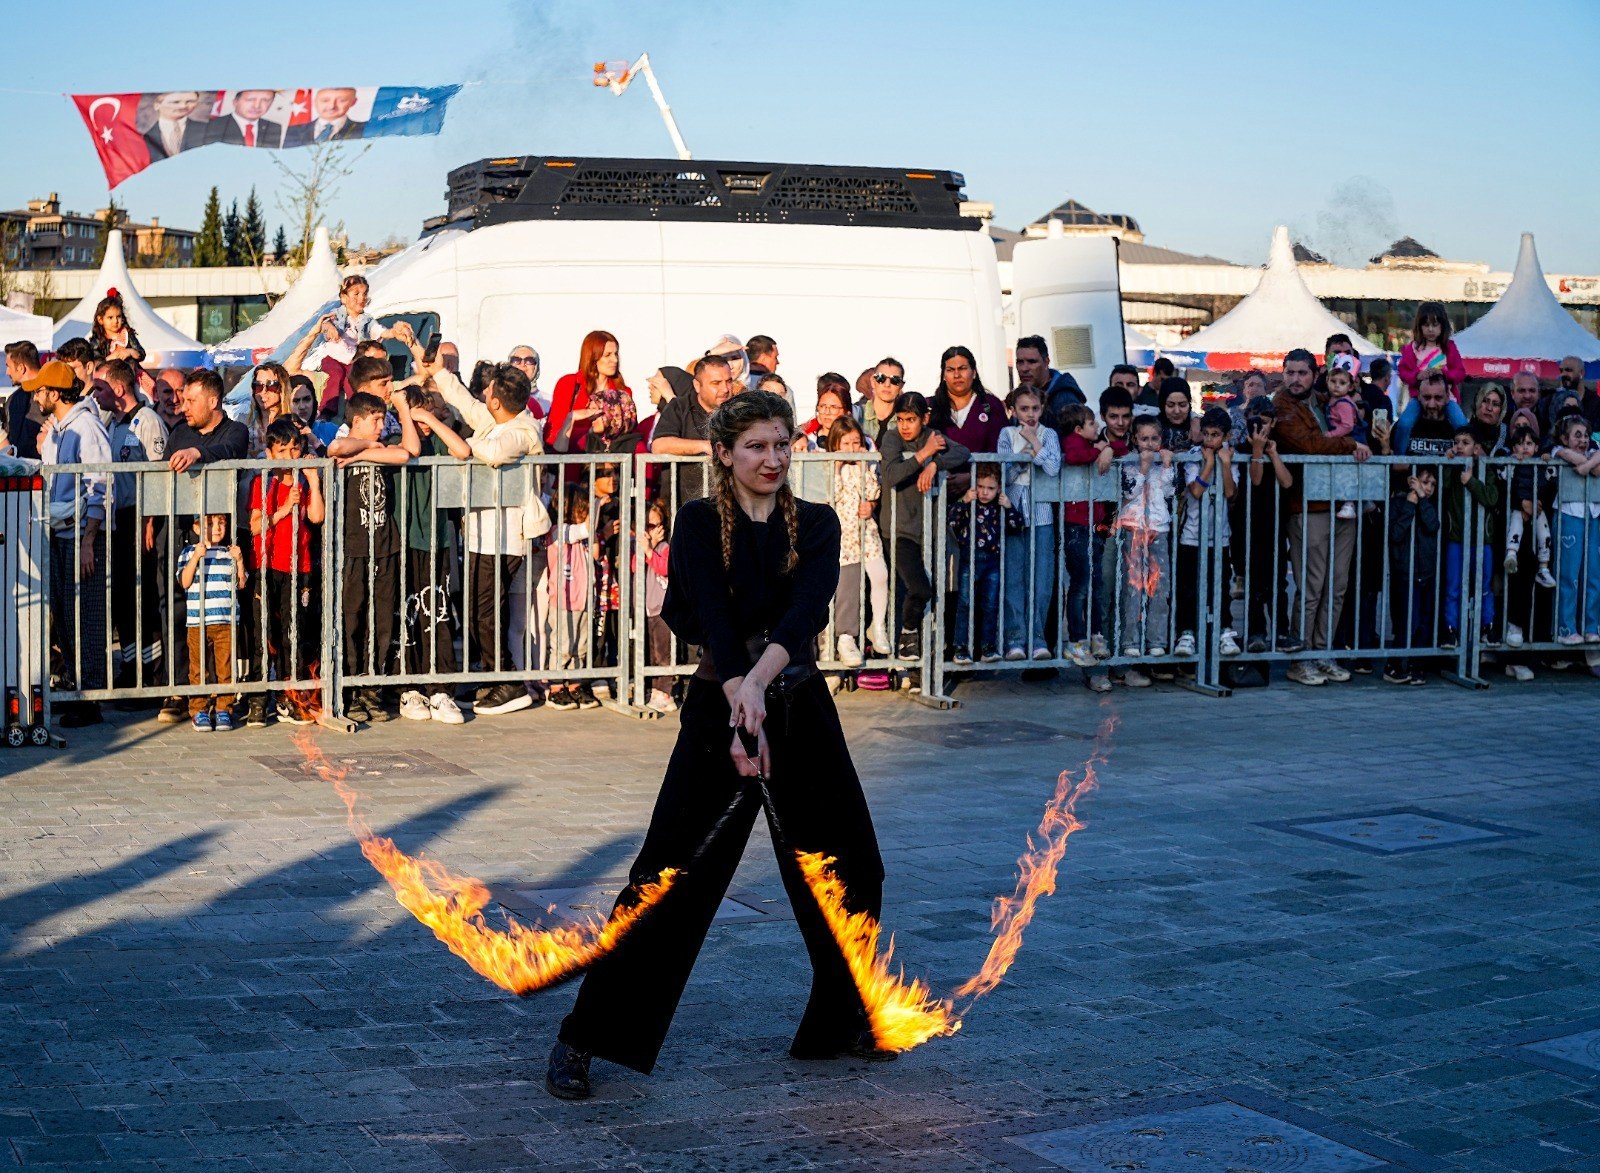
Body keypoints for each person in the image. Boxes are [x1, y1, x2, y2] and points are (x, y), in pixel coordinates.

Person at [547, 389, 888, 1100]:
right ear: (725, 453)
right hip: (717, 707)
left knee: (852, 865)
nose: (772, 458)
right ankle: (585, 1035)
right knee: (668, 875)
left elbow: (805, 612)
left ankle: (843, 1018)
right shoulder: (700, 521)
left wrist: (760, 686)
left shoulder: (817, 522)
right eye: (756, 446)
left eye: (782, 444)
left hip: (796, 705)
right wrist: (740, 694)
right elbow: (710, 615)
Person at [426, 356, 544, 716]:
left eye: (488, 392)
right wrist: (438, 371)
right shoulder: (496, 420)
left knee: (489, 613)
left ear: (495, 401)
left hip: (506, 538)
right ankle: (492, 677)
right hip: (480, 534)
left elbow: (493, 452)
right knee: (477, 612)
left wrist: (460, 442)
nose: (483, 397)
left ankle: (509, 682)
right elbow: (464, 402)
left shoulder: (523, 430)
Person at [1271, 348, 1370, 685]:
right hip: (1306, 506)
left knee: (1337, 585)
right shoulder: (1281, 405)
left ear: (1315, 375)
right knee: (1311, 586)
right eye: (1290, 372)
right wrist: (1351, 446)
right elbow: (1309, 444)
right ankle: (1301, 659)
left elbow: (1351, 423)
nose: (1295, 379)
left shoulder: (1326, 399)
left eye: (1302, 373)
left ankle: (1323, 652)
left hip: (1341, 503)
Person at [327, 388, 421, 722]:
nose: (381, 426)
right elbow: (336, 449)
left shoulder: (382, 447)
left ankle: (371, 688)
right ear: (357, 420)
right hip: (352, 547)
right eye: (376, 419)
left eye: (383, 419)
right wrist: (365, 450)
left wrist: (365, 454)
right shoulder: (347, 442)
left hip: (384, 545)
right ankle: (350, 688)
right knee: (352, 618)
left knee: (380, 620)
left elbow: (407, 453)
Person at [35, 360, 112, 728]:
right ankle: (78, 689)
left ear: (54, 393)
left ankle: (91, 697)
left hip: (81, 536)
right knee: (67, 616)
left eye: (40, 391)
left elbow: (101, 484)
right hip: (62, 532)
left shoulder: (86, 426)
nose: (35, 397)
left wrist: (89, 540)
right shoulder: (59, 430)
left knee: (87, 619)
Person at [394, 386, 469, 725]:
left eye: (427, 414)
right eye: (416, 416)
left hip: (435, 539)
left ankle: (440, 689)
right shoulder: (396, 438)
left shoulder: (436, 439)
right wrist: (407, 417)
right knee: (406, 613)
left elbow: (462, 450)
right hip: (403, 539)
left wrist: (428, 418)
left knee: (436, 613)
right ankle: (409, 688)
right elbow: (408, 448)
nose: (423, 424)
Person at [878, 390, 969, 659]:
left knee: (943, 587)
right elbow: (892, 474)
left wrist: (935, 464)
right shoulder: (892, 438)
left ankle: (936, 650)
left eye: (911, 420)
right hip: (898, 530)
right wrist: (923, 456)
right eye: (901, 419)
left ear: (924, 418)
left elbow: (962, 452)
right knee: (917, 588)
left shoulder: (932, 435)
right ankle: (907, 635)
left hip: (928, 529)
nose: (905, 426)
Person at [248, 421, 325, 725]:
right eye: (282, 451)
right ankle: (257, 699)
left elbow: (316, 517)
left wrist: (314, 482)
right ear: (269, 453)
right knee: (263, 634)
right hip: (266, 565)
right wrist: (282, 510)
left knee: (292, 634)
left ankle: (289, 697)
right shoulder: (263, 482)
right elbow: (255, 525)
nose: (290, 456)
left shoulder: (303, 482)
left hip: (297, 567)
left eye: (294, 448)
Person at [104, 358, 169, 692]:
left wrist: (149, 520)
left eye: (100, 387)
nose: (95, 394)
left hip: (140, 519)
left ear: (118, 389)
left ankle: (151, 674)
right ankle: (130, 669)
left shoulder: (148, 421)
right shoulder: (111, 424)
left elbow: (158, 478)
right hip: (117, 519)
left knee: (144, 597)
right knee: (124, 599)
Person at [997, 386, 1061, 659]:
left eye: (1035, 408)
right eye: (1024, 409)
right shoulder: (1006, 434)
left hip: (1041, 513)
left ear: (1042, 408)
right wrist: (1025, 455)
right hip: (1013, 511)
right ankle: (1015, 639)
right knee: (1014, 578)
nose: (1030, 414)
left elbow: (1053, 468)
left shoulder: (1049, 435)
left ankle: (1038, 638)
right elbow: (1004, 474)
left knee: (1042, 580)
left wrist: (1035, 443)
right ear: (1013, 410)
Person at [825, 416, 890, 667]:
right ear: (835, 444)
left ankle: (878, 626)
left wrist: (870, 502)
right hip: (844, 535)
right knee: (847, 586)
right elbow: (831, 495)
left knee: (880, 575)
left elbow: (873, 492)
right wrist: (837, 467)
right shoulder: (828, 466)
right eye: (846, 443)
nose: (852, 448)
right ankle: (846, 637)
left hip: (866, 531)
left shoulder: (866, 465)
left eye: (856, 442)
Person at [1175, 407, 1239, 659]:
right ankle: (1187, 633)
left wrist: (1225, 463)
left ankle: (1224, 631)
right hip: (1191, 534)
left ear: (1226, 436)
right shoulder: (1194, 455)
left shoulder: (1230, 456)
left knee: (1220, 586)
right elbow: (1196, 491)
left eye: (1216, 435)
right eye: (1207, 434)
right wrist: (1210, 463)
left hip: (1219, 535)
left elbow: (1230, 492)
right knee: (1188, 588)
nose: (1210, 440)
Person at [948, 463, 1025, 664]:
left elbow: (1018, 525)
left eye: (990, 488)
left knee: (990, 605)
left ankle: (988, 647)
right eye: (980, 486)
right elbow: (951, 520)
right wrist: (964, 501)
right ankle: (960, 647)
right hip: (969, 559)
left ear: (999, 489)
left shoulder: (999, 506)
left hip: (992, 562)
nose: (984, 492)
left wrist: (1009, 506)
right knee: (965, 604)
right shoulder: (968, 503)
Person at [1233, 397, 1292, 655]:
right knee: (1253, 581)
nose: (1260, 428)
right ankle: (1256, 632)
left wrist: (1272, 453)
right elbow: (1255, 480)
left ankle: (1281, 632)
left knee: (1277, 581)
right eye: (1255, 422)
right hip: (1246, 522)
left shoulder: (1280, 446)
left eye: (1265, 422)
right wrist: (1257, 450)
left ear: (1274, 423)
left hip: (1273, 521)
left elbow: (1287, 482)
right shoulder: (1241, 448)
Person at [177, 513, 246, 730]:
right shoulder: (189, 552)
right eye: (209, 524)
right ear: (197, 528)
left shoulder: (228, 552)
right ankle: (199, 709)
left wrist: (240, 561)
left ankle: (224, 709)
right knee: (198, 668)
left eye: (221, 523)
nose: (216, 528)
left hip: (225, 621)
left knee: (225, 668)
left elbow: (241, 584)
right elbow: (184, 582)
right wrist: (196, 558)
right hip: (197, 621)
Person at [1117, 416, 1176, 658]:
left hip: (1158, 527)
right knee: (1133, 587)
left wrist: (1168, 466)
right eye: (1144, 439)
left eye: (1154, 438)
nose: (1150, 444)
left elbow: (1170, 491)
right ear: (1135, 440)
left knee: (1159, 586)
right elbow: (1129, 492)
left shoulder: (1162, 463)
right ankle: (1130, 641)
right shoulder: (1128, 462)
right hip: (1133, 527)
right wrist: (1142, 468)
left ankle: (1156, 640)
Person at [1057, 403, 1109, 673]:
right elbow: (1075, 456)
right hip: (1076, 527)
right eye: (1091, 423)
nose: (1097, 426)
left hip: (1093, 525)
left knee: (1095, 582)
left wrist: (1108, 449)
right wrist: (1099, 451)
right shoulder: (1073, 443)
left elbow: (1120, 448)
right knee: (1080, 584)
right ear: (1078, 429)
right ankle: (1076, 639)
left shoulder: (1092, 444)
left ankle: (1096, 633)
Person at [1440, 425, 1499, 645]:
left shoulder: (1486, 470)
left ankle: (1487, 627)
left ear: (1476, 448)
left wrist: (1471, 482)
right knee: (1453, 587)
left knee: (1484, 587)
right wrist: (1448, 464)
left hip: (1482, 540)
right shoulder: (1453, 469)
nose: (1459, 447)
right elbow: (1443, 487)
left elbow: (1491, 498)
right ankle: (1451, 630)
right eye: (1456, 442)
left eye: (1465, 443)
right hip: (1456, 538)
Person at [651, 352, 735, 504]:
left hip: (729, 503)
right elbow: (659, 445)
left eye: (729, 381)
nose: (725, 389)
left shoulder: (738, 410)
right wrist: (705, 446)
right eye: (716, 383)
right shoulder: (679, 407)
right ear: (697, 385)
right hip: (683, 504)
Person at [1382, 468, 1440, 686]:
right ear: (1412, 482)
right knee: (1407, 621)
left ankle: (1417, 666)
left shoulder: (1429, 504)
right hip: (1405, 572)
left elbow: (1433, 525)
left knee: (1423, 621)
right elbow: (1396, 534)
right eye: (1425, 482)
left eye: (1433, 484)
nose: (1429, 488)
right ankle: (1394, 665)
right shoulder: (1399, 503)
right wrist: (1410, 505)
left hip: (1426, 572)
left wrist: (1422, 501)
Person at [1550, 415, 1600, 645]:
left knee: (1593, 575)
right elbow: (1571, 457)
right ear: (1564, 438)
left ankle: (1591, 626)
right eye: (1577, 435)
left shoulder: (1593, 453)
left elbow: (1595, 469)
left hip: (1593, 515)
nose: (1583, 440)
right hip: (1569, 514)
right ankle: (1565, 627)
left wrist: (1587, 466)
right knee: (1569, 574)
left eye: (1586, 435)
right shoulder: (1557, 450)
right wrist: (1589, 462)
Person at [544, 492, 596, 712]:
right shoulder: (559, 531)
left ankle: (574, 684)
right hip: (563, 600)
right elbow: (586, 528)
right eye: (583, 508)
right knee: (562, 646)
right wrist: (598, 502)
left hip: (583, 598)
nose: (587, 512)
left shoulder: (579, 536)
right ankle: (555, 687)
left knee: (580, 646)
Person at [1393, 302, 1468, 453]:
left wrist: (1444, 374)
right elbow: (1403, 372)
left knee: (1462, 426)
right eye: (1426, 325)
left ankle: (1465, 458)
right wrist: (1417, 376)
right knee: (1404, 424)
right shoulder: (1412, 348)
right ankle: (1399, 457)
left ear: (1443, 326)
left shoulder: (1449, 347)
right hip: (1418, 398)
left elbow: (1460, 373)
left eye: (1435, 324)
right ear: (1419, 326)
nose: (1431, 329)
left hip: (1448, 398)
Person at [927, 346, 1005, 488]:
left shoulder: (991, 405)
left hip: (982, 492)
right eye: (950, 370)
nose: (957, 375)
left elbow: (1000, 452)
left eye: (962, 368)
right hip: (938, 490)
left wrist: (972, 478)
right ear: (943, 375)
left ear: (973, 373)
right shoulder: (929, 407)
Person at [546, 330, 627, 454]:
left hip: (607, 462)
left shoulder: (623, 392)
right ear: (592, 357)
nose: (615, 360)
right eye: (608, 355)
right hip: (570, 459)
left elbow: (627, 434)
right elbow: (553, 435)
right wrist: (573, 418)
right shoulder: (568, 384)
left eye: (616, 354)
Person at [1502, 424, 1557, 592]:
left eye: (1529, 443)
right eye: (1520, 444)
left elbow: (1552, 479)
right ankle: (1511, 554)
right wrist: (1511, 461)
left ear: (1536, 447)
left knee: (1545, 535)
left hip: (1538, 507)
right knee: (1515, 527)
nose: (1524, 447)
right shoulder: (1513, 463)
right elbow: (1503, 478)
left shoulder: (1540, 464)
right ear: (1514, 448)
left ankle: (1543, 568)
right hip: (1519, 506)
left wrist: (1548, 459)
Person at [637, 499, 675, 713]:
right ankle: (655, 690)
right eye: (648, 526)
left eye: (655, 525)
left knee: (663, 653)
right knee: (652, 653)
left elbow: (664, 568)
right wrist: (646, 549)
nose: (651, 530)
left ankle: (665, 692)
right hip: (649, 607)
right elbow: (634, 567)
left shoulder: (665, 547)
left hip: (663, 608)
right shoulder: (644, 548)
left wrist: (650, 550)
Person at [1014, 334, 1084, 422]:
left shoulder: (1064, 399)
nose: (1024, 369)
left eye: (1032, 362)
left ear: (1046, 362)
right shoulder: (1019, 396)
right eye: (1020, 362)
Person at [282, 87, 367, 146]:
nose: (332, 106)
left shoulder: (365, 129)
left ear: (353, 102)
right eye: (325, 100)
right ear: (315, 101)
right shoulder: (292, 131)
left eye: (342, 100)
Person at [203, 89, 284, 148]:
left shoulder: (273, 127)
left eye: (265, 100)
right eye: (250, 99)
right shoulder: (214, 125)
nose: (257, 106)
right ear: (235, 102)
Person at [5, 341, 45, 459]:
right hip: (16, 468)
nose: (7, 372)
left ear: (21, 368)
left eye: (8, 366)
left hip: (46, 468)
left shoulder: (52, 395)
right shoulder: (13, 399)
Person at [854, 357, 905, 444]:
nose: (887, 384)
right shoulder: (856, 415)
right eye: (881, 378)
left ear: (901, 385)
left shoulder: (907, 419)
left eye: (895, 380)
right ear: (872, 381)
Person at [245, 363, 292, 457]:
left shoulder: (294, 423)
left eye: (271, 385)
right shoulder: (245, 422)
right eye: (258, 386)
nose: (263, 391)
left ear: (282, 388)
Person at [88, 290, 146, 367]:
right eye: (110, 317)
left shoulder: (127, 334)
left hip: (130, 371)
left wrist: (130, 352)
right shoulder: (97, 340)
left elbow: (141, 353)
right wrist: (110, 358)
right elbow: (95, 361)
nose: (115, 321)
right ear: (100, 320)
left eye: (118, 317)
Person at [142, 90, 204, 159]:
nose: (183, 106)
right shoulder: (143, 136)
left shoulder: (208, 128)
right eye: (175, 102)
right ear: (157, 105)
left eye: (190, 101)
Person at [800, 376, 852, 448]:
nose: (827, 412)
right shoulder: (806, 442)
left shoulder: (860, 442)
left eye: (834, 407)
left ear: (847, 413)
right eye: (822, 406)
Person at [508, 345, 548, 418]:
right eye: (516, 360)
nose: (523, 364)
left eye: (529, 360)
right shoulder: (499, 397)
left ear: (536, 367)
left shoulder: (548, 402)